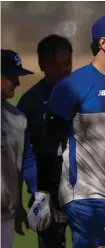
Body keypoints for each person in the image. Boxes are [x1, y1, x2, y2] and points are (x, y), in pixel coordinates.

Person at [27, 14, 105, 248]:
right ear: (104, 43)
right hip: (82, 195)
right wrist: (43, 194)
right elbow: (49, 141)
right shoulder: (71, 86)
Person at [17, 34, 73, 248]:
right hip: (47, 194)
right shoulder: (30, 103)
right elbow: (26, 153)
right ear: (41, 64)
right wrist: (39, 192)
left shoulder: (85, 95)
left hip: (82, 192)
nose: (62, 70)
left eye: (67, 63)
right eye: (54, 64)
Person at [1, 49, 34, 248]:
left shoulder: (18, 119)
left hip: (5, 217)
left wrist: (20, 205)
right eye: (12, 77)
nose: (18, 83)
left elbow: (19, 168)